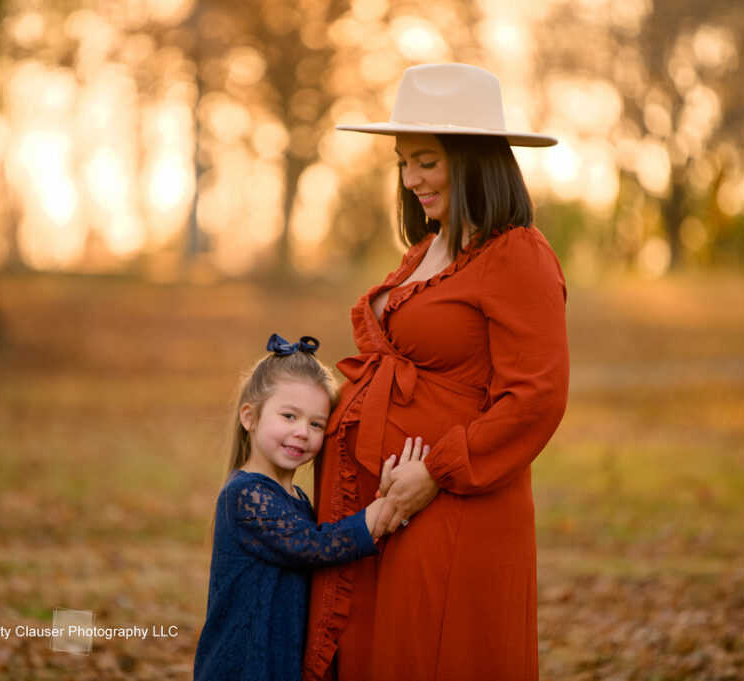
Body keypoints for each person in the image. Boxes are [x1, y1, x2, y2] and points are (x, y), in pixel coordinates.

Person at [303, 64, 570, 681]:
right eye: (402, 161)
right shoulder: (425, 250)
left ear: (474, 157)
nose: (409, 178)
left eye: (426, 160)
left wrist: (436, 472)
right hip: (378, 512)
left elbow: (536, 398)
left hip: (451, 509)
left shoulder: (517, 254)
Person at [193, 333, 429, 681]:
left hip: (279, 659)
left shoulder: (296, 500)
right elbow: (315, 546)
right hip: (244, 664)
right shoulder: (246, 495)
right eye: (289, 416)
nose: (302, 432)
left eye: (316, 424)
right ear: (249, 417)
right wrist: (387, 507)